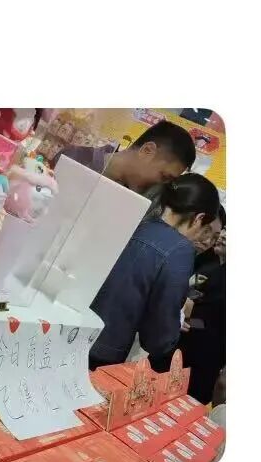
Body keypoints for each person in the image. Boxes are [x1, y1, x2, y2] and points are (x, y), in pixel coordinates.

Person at [89, 173, 220, 371]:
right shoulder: (179, 249)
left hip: (74, 329)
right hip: (103, 351)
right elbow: (157, 339)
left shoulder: (138, 222)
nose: (201, 238)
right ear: (198, 219)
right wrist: (176, 322)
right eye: (205, 230)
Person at [54, 120, 197, 198]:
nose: (160, 184)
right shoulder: (74, 157)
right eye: (164, 176)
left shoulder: (129, 199)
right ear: (147, 151)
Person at [180, 218, 226, 403]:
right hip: (181, 349)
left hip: (204, 360)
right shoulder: (208, 261)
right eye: (224, 230)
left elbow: (210, 323)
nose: (224, 236)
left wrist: (187, 320)